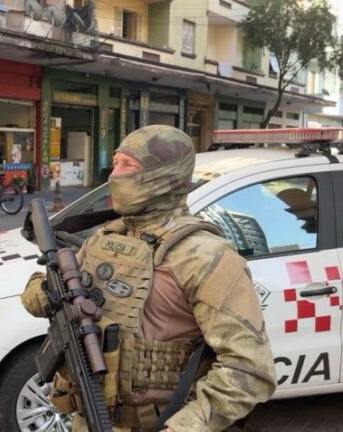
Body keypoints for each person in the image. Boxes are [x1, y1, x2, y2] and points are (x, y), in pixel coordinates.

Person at [21, 125, 276, 432]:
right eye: (115, 163)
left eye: (128, 165)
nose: (115, 175)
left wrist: (185, 426)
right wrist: (42, 293)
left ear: (163, 175)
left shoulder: (204, 255)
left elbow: (249, 369)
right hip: (86, 418)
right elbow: (49, 291)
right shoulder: (104, 237)